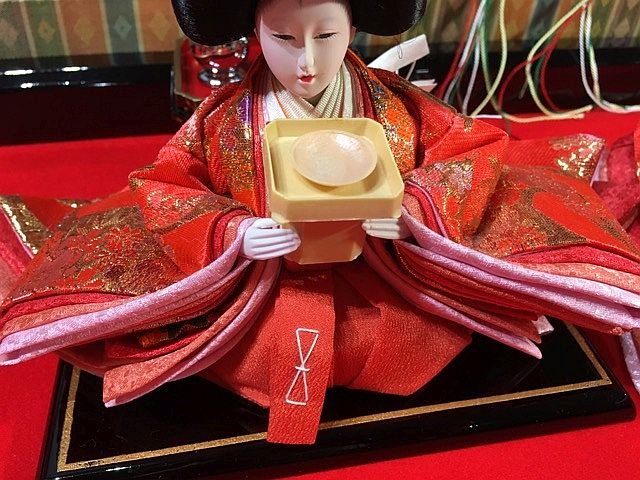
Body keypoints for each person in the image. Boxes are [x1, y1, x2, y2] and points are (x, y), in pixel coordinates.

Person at [1, 0, 639, 444]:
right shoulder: (224, 118)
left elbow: (468, 147)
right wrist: (234, 232)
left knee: (411, 343)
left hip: (381, 272)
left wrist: (415, 210)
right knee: (259, 356)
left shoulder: (392, 104)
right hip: (265, 282)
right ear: (253, 31)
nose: (306, 60)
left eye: (326, 36)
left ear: (354, 27)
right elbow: (166, 181)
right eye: (283, 38)